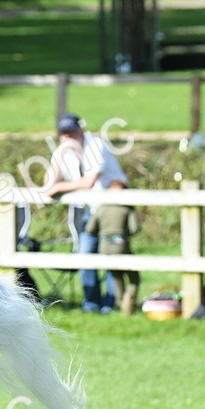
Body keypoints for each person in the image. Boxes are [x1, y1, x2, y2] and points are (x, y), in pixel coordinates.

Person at [45, 113, 129, 313]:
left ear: (81, 130)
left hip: (111, 208)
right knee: (84, 256)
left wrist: (60, 187)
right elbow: (47, 185)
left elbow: (88, 182)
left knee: (111, 256)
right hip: (89, 210)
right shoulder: (64, 151)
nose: (68, 138)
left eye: (72, 133)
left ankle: (111, 303)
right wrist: (59, 156)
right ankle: (91, 304)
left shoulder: (96, 145)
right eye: (64, 134)